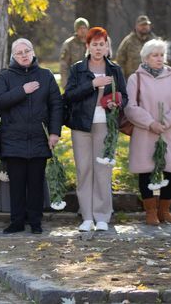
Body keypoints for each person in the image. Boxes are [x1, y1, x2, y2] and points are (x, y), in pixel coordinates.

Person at [0, 38, 63, 234]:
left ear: (33, 52)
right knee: (16, 184)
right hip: (13, 138)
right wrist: (22, 91)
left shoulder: (46, 75)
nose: (24, 55)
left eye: (27, 51)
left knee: (36, 183)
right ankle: (16, 221)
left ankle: (35, 221)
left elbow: (56, 105)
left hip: (39, 137)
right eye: (19, 52)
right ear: (13, 56)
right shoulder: (5, 76)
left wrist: (55, 132)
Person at [64, 27, 127, 232]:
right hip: (81, 125)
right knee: (84, 169)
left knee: (102, 170)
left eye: (102, 44)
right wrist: (93, 83)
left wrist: (116, 104)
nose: (98, 48)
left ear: (107, 46)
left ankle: (102, 216)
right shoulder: (77, 69)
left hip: (106, 125)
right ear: (87, 46)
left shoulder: (115, 69)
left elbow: (124, 97)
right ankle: (87, 217)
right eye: (94, 44)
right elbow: (69, 96)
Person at [124, 39, 171, 225]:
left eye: (161, 55)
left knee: (169, 171)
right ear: (146, 57)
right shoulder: (136, 78)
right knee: (146, 172)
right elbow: (130, 107)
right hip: (144, 132)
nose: (159, 59)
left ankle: (164, 210)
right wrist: (151, 123)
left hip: (168, 133)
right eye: (155, 55)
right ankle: (150, 211)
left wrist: (165, 123)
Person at [116, 15, 157, 79]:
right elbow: (120, 60)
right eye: (142, 25)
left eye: (146, 25)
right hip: (132, 79)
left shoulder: (155, 41)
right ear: (136, 26)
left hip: (151, 78)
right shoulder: (128, 41)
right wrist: (122, 78)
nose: (144, 27)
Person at [59, 17, 89, 88]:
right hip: (74, 81)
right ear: (76, 30)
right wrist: (65, 84)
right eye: (80, 28)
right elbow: (63, 65)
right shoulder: (69, 44)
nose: (82, 30)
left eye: (84, 28)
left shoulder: (92, 43)